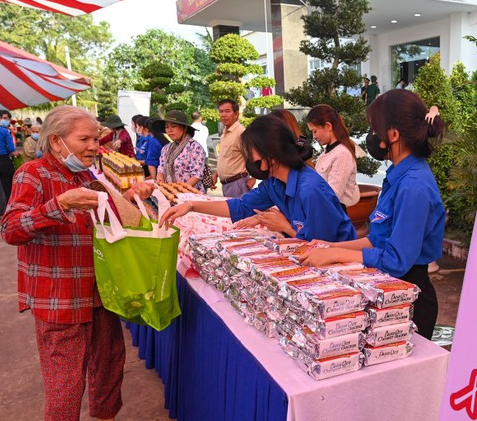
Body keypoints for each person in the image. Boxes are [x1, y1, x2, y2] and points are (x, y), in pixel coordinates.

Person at [1, 105, 155, 421]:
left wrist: (133, 198)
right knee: (65, 383)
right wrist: (59, 206)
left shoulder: (88, 174)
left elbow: (119, 213)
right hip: (58, 296)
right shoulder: (31, 175)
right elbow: (11, 228)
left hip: (100, 287)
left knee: (109, 359)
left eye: (95, 139)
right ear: (57, 141)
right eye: (84, 140)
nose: (94, 146)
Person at [301, 89, 445, 339]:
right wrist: (330, 247)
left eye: (374, 128)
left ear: (394, 134)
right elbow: (378, 239)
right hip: (388, 291)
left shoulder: (414, 186)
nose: (371, 136)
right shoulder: (397, 175)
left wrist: (336, 254)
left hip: (409, 300)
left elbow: (395, 259)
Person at [160, 114, 357, 243]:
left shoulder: (310, 189)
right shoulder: (275, 183)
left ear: (269, 152)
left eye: (251, 152)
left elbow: (323, 245)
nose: (250, 159)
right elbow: (241, 206)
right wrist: (192, 206)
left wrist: (284, 226)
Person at [306, 104, 360, 210]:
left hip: (333, 214)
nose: (314, 136)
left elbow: (333, 194)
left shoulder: (342, 154)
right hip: (324, 210)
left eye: (315, 131)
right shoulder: (327, 152)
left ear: (328, 126)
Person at [154, 110, 207, 192]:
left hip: (191, 194)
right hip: (171, 194)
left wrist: (181, 190)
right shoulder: (166, 148)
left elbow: (197, 174)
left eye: (173, 126)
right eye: (167, 127)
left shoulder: (195, 147)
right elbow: (161, 167)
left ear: (185, 128)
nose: (169, 130)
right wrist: (160, 177)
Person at [215, 99, 251, 198]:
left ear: (236, 114)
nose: (223, 115)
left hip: (238, 184)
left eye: (227, 111)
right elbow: (225, 157)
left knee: (241, 212)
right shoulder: (225, 133)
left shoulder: (241, 133)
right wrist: (216, 174)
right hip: (226, 185)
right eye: (221, 111)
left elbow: (253, 156)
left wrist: (254, 178)